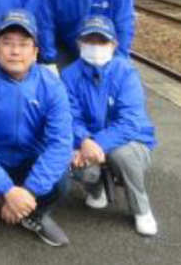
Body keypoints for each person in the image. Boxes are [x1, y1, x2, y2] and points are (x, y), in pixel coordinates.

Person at [0, 9, 72, 248]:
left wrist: (28, 192)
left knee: (61, 178)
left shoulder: (52, 85)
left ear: (35, 52)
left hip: (31, 160)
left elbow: (61, 143)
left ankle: (35, 214)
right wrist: (8, 191)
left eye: (23, 44)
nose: (15, 51)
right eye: (7, 43)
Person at [60, 15, 158, 236]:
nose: (95, 47)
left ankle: (141, 209)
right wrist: (83, 140)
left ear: (114, 45)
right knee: (72, 160)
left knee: (121, 155)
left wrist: (95, 143)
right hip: (85, 141)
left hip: (131, 140)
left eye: (102, 41)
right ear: (79, 43)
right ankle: (96, 190)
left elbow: (130, 122)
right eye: (89, 40)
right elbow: (68, 117)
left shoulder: (126, 73)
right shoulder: (68, 75)